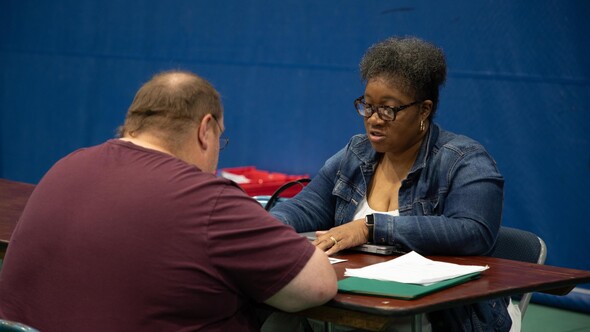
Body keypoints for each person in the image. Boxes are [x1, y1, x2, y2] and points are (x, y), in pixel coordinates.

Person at [0, 70, 337, 332]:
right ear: (205, 129)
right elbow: (317, 286)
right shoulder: (206, 198)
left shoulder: (67, 164)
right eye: (222, 138)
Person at [270, 37, 516, 331]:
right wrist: (266, 228)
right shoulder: (356, 153)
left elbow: (474, 232)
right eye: (368, 106)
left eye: (388, 109)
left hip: (447, 319)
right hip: (363, 307)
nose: (374, 120)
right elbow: (307, 207)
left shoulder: (464, 161)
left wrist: (371, 227)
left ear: (424, 110)